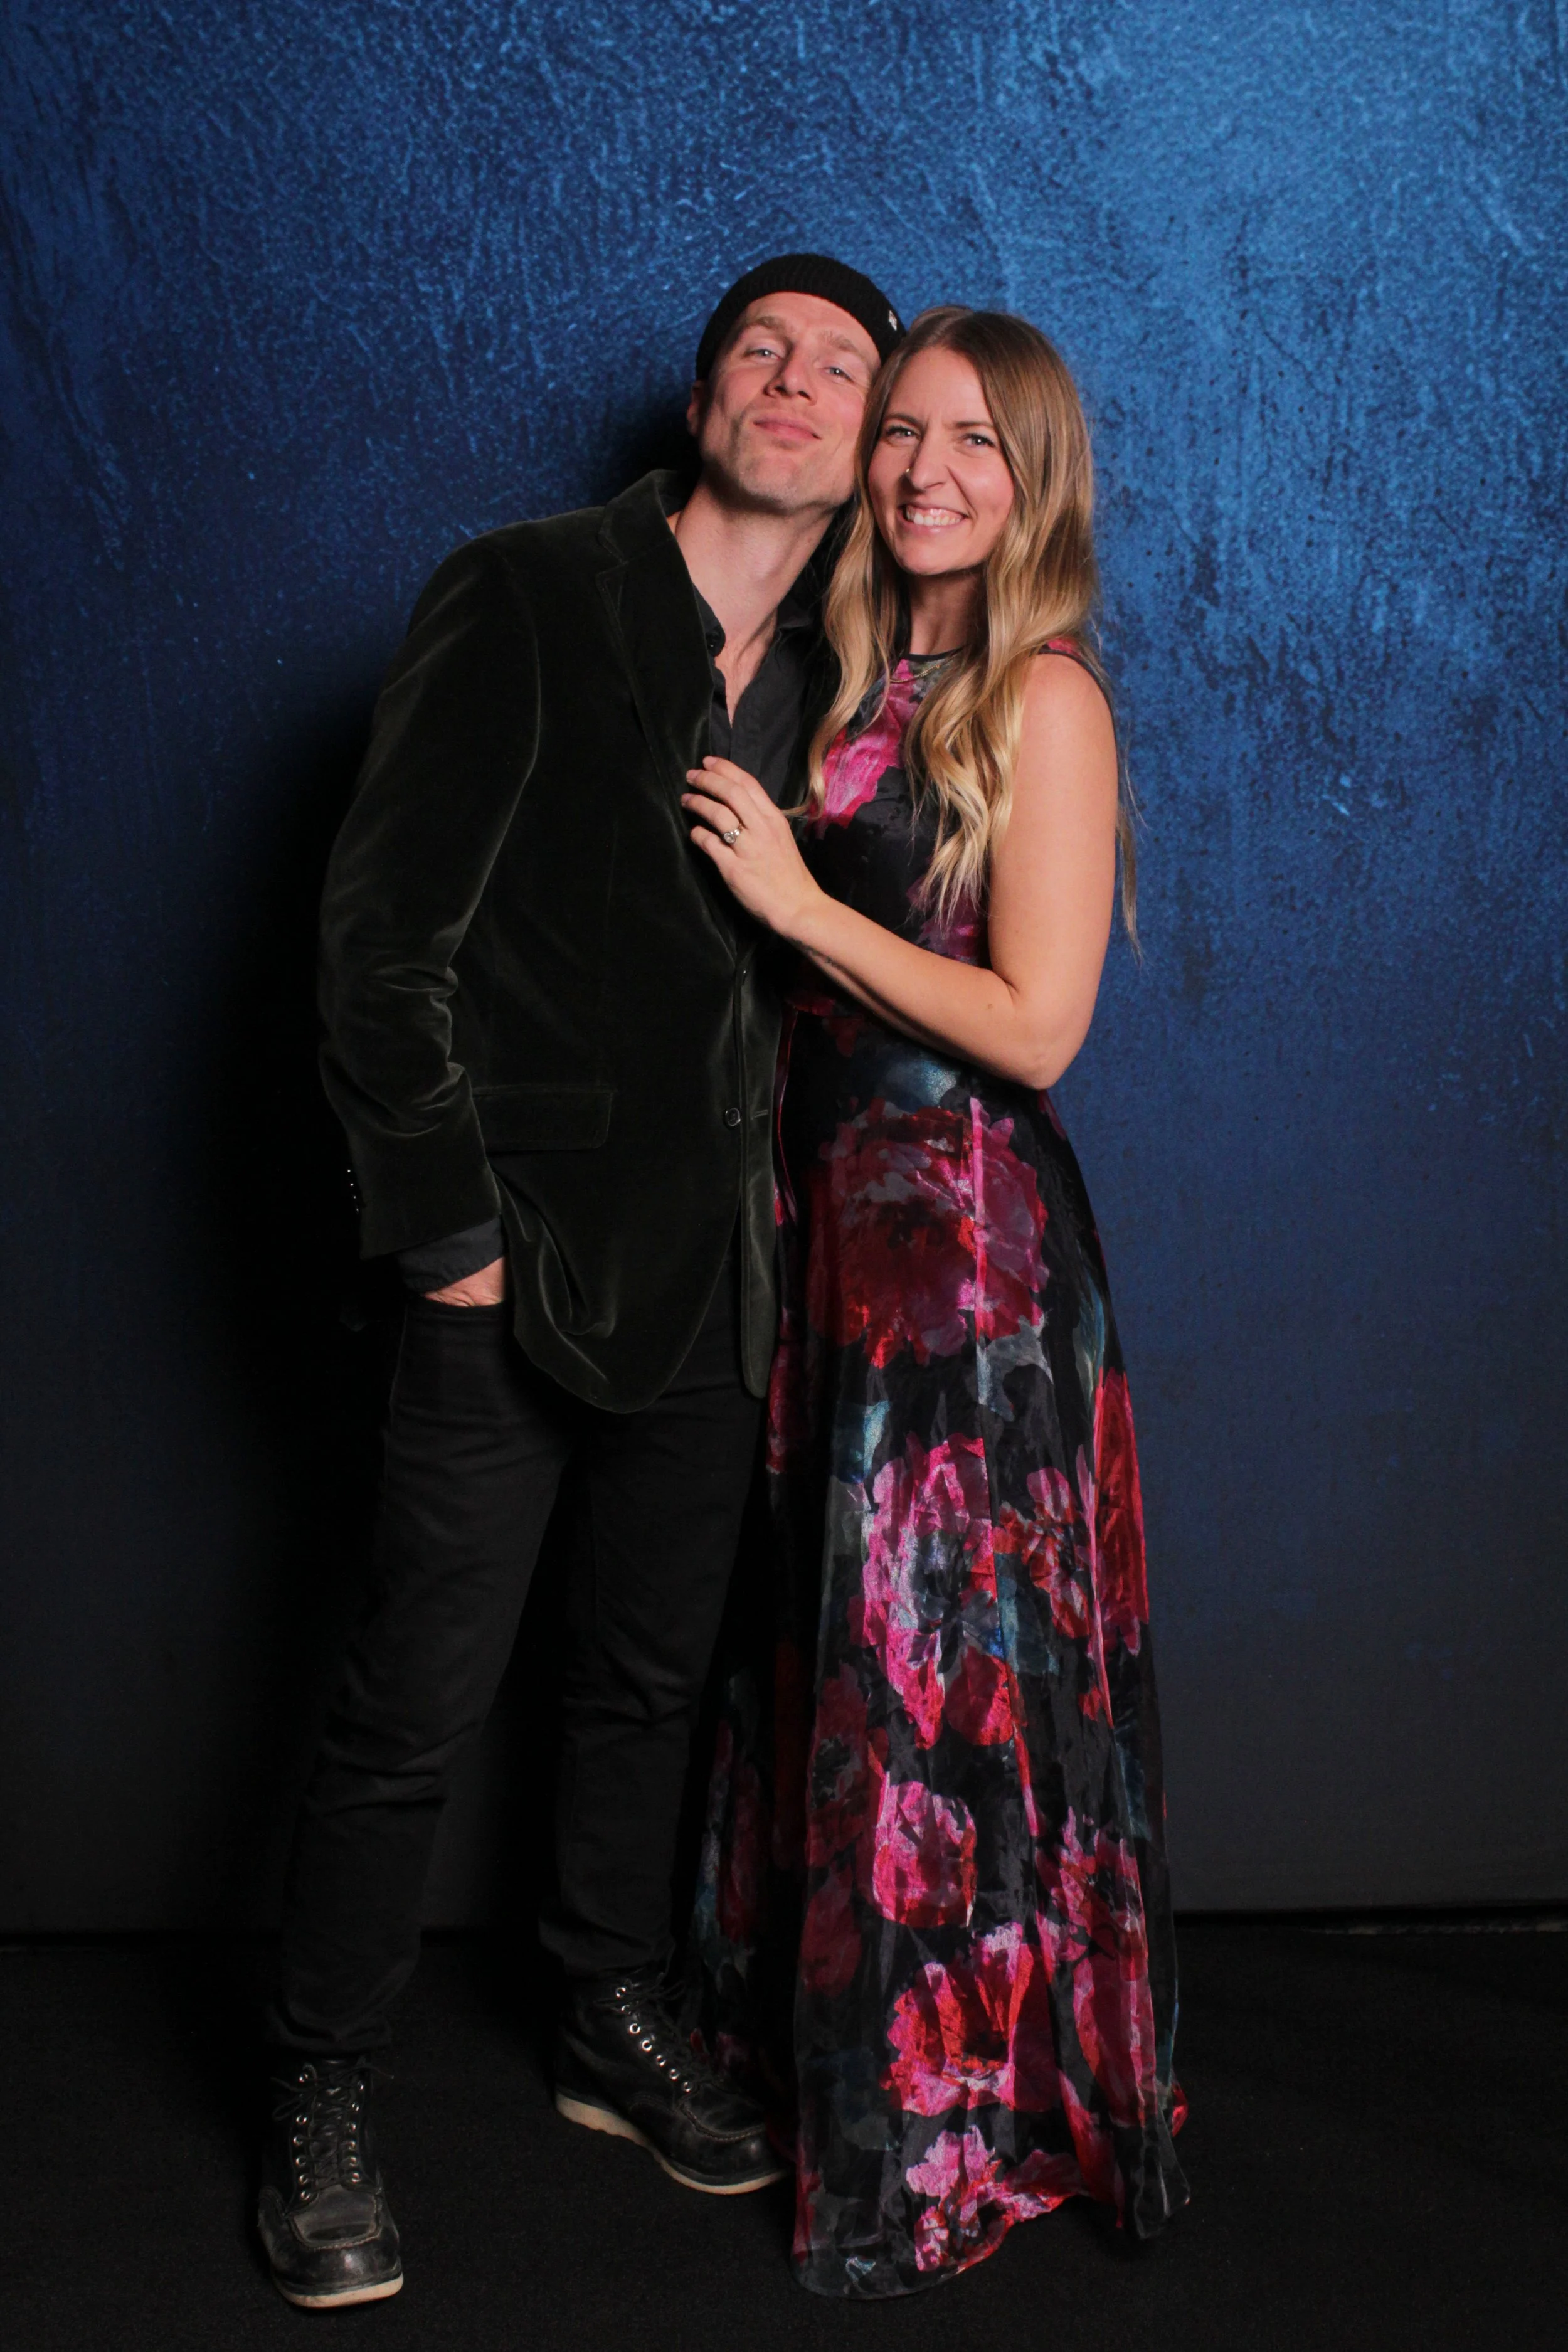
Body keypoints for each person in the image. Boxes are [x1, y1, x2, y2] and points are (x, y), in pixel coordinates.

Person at [257, 253, 906, 2312]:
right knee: (402, 1709)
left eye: (836, 371)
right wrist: (443, 1233)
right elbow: (380, 940)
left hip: (710, 1283)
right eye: (759, 353)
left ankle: (604, 2010)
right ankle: (319, 2080)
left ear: (867, 444)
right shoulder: (527, 586)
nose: (791, 384)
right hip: (502, 1268)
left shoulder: (836, 677)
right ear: (706, 397)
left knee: (643, 1690)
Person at [681, 306, 1190, 2296]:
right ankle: (821, 2071)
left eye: (971, 440)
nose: (918, 469)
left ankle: (957, 2118)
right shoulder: (859, 670)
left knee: (941, 1675)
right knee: (830, 1648)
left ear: (1032, 470)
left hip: (960, 1263)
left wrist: (801, 907)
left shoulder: (1037, 696)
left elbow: (1038, 1024)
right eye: (900, 432)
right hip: (829, 1238)